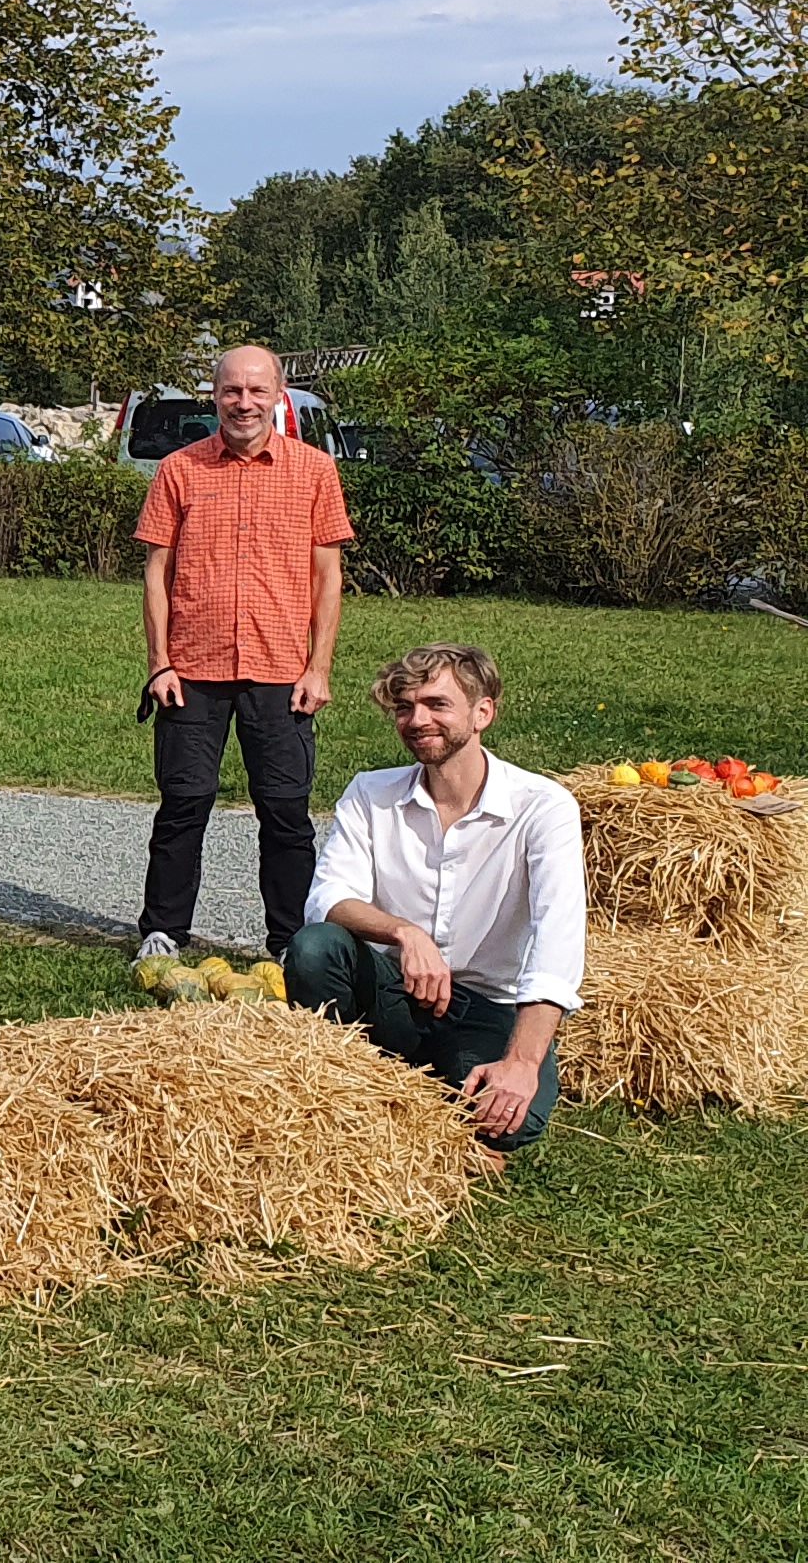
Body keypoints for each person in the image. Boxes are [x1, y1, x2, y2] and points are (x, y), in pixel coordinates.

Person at [290, 645, 579, 1158]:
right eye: (405, 707)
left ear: (483, 712)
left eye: (437, 705)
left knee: (511, 1125)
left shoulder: (542, 807)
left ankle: (415, 1085)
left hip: (489, 1007)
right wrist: (406, 932)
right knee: (316, 947)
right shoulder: (370, 792)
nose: (418, 720)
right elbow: (327, 898)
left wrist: (521, 1063)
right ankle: (337, 1090)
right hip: (396, 991)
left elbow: (559, 943)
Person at [137, 344, 354, 958]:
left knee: (287, 815)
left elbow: (327, 577)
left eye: (257, 391)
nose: (244, 402)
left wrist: (319, 667)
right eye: (233, 391)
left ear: (279, 396)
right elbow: (158, 572)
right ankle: (162, 932)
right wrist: (160, 664)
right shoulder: (178, 470)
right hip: (192, 670)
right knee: (183, 806)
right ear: (216, 397)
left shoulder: (314, 471)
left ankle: (293, 943)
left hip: (282, 672)